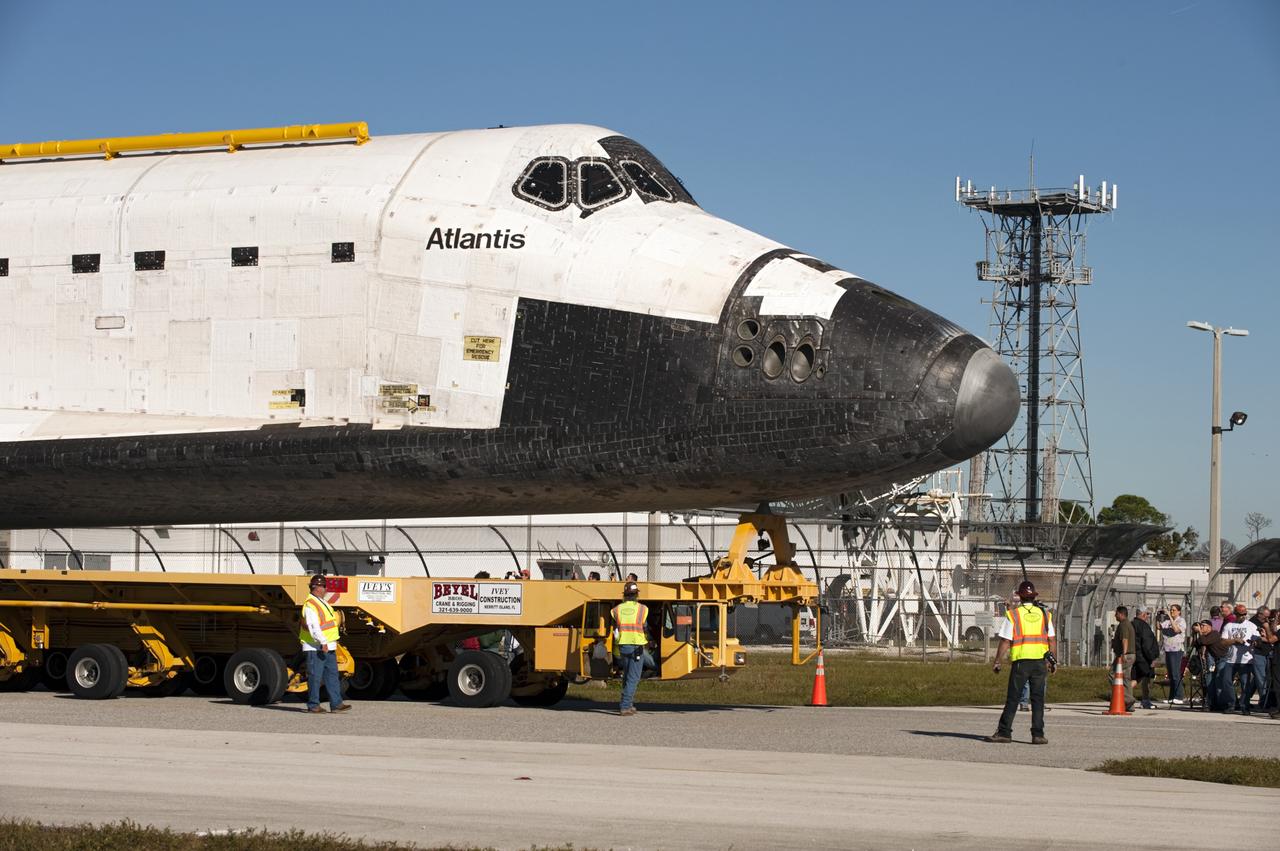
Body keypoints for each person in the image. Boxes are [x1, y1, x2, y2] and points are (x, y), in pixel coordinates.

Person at [985, 580, 1055, 745]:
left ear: (1021, 597)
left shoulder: (1014, 615)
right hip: (1040, 663)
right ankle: (1038, 734)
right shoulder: (1045, 615)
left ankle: (1004, 732)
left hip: (1021, 663)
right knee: (1038, 700)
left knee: (1013, 698)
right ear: (1033, 596)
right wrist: (1052, 661)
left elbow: (1005, 641)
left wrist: (997, 661)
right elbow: (1052, 640)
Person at [300, 574, 350, 714]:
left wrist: (330, 643)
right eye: (323, 586)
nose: (325, 589)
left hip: (328, 645)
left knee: (332, 675)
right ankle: (313, 705)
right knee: (315, 676)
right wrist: (323, 642)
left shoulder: (322, 602)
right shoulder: (311, 604)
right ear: (316, 587)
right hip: (316, 646)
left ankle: (336, 703)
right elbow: (313, 626)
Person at [611, 581, 649, 716]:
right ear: (636, 595)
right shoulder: (643, 609)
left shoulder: (616, 610)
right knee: (633, 678)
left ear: (625, 595)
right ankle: (625, 706)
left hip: (623, 647)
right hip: (636, 647)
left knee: (627, 676)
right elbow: (645, 627)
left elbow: (615, 626)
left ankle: (628, 703)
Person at [1192, 620, 1239, 711]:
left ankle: (1223, 703)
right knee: (1209, 680)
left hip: (1223, 658)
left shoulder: (1215, 634)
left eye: (1203, 626)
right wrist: (1195, 634)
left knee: (1219, 679)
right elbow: (1196, 644)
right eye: (1200, 626)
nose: (1201, 628)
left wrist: (1200, 633)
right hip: (1214, 658)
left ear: (1209, 627)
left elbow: (1204, 641)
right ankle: (1211, 703)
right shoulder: (1204, 636)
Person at [1222, 611, 1259, 714]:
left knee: (1245, 684)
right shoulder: (1229, 625)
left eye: (1244, 614)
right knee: (1226, 681)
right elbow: (1223, 641)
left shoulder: (1251, 625)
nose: (1242, 616)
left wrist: (1252, 642)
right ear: (1235, 615)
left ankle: (1245, 705)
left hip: (1246, 659)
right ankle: (1232, 704)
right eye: (1239, 615)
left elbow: (1257, 639)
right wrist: (1234, 640)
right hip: (1231, 659)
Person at [1131, 609, 1161, 710]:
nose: (1148, 616)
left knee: (1137, 677)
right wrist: (1152, 658)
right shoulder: (1144, 626)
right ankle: (1123, 695)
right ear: (1143, 614)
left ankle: (1123, 695)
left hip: (1135, 655)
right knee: (1144, 678)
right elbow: (1147, 644)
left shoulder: (1132, 624)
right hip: (1144, 658)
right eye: (1147, 614)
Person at [1159, 604, 1187, 705]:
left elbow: (1176, 630)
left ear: (1179, 612)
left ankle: (1179, 696)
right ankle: (1172, 696)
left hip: (1177, 650)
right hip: (1168, 649)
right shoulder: (1166, 621)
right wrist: (1158, 617)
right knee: (1170, 674)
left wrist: (1170, 617)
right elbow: (1158, 627)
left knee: (1175, 673)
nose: (1171, 612)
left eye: (1174, 610)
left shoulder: (1181, 621)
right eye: (1171, 610)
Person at [1111, 606, 1136, 712]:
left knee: (1113, 674)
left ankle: (1128, 699)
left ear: (1121, 614)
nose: (1115, 616)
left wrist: (1123, 654)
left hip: (1125, 655)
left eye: (1116, 614)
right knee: (1126, 679)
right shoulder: (1127, 624)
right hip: (1131, 654)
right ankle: (1129, 706)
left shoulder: (1123, 625)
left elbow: (1124, 639)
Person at [1248, 606, 1271, 712]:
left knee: (1258, 678)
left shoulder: (1266, 622)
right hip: (1258, 653)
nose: (1267, 619)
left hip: (1267, 652)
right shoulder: (1252, 623)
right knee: (1261, 677)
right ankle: (1264, 701)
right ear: (1259, 614)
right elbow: (1253, 638)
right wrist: (1267, 638)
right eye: (1265, 616)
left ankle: (1245, 699)